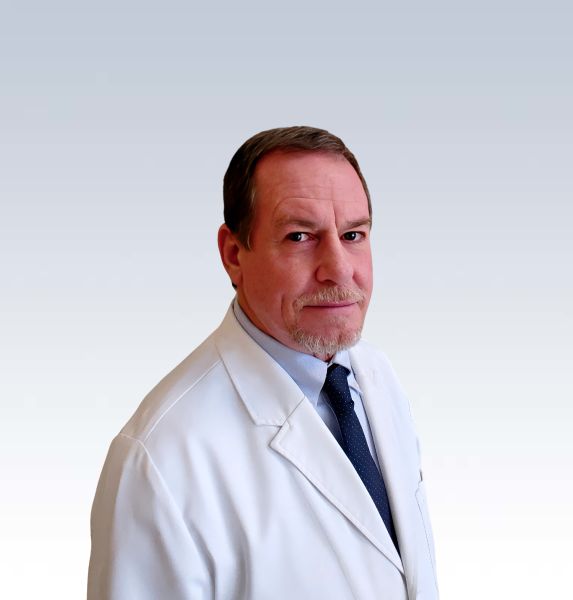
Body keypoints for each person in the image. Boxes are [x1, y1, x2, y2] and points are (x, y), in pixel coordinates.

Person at [88, 126, 439, 599]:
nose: (339, 268)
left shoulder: (376, 379)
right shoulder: (161, 459)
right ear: (234, 255)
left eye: (353, 234)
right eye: (300, 237)